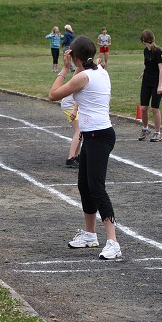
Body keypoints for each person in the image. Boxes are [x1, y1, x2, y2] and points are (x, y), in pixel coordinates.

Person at [49, 36, 121, 260]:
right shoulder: (99, 70)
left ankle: (113, 242)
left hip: (99, 136)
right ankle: (90, 234)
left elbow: (53, 94)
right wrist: (76, 64)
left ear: (75, 57)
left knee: (97, 188)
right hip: (92, 136)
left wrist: (63, 68)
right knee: (84, 185)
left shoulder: (83, 76)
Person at [138, 29, 162, 142]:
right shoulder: (145, 51)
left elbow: (161, 69)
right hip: (146, 81)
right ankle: (145, 129)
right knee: (143, 108)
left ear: (144, 40)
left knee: (154, 108)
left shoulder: (158, 51)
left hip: (156, 83)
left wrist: (160, 85)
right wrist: (144, 72)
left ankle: (157, 133)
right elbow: (148, 64)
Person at [61, 92, 81, 168]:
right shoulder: (86, 80)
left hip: (76, 105)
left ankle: (76, 156)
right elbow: (79, 93)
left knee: (81, 130)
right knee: (79, 130)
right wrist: (75, 109)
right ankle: (70, 158)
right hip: (70, 105)